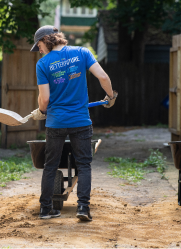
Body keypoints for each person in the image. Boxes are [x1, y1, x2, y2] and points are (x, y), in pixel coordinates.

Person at [30, 25, 118, 221]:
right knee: (84, 165)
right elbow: (103, 77)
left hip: (56, 122)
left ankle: (45, 209)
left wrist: (41, 111)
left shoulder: (43, 65)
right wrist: (110, 97)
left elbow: (44, 100)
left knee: (50, 165)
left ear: (45, 40)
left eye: (39, 47)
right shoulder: (82, 52)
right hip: (80, 120)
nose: (40, 51)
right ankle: (83, 208)